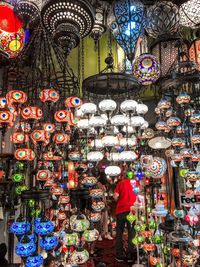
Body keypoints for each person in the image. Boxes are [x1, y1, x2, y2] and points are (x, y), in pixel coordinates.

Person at [113, 176, 136, 263]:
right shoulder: (135, 183)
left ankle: (119, 255)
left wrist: (119, 200)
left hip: (121, 210)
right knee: (131, 232)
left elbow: (115, 196)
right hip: (132, 210)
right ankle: (130, 255)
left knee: (119, 232)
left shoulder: (120, 183)